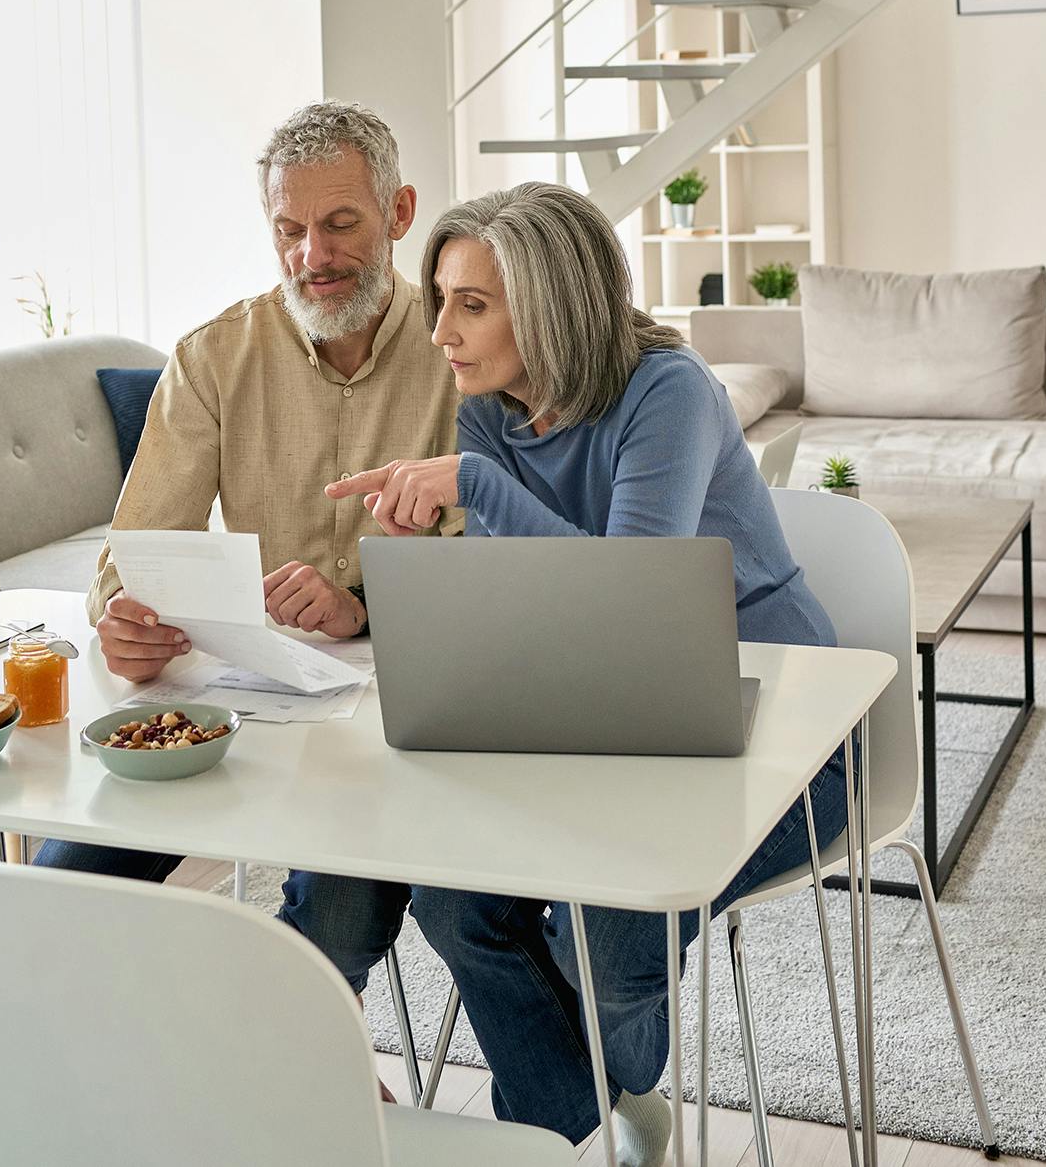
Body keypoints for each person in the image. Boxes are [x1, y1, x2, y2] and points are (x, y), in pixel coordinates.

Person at [329, 181, 847, 1164]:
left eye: (471, 304)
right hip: (605, 719)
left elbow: (628, 601)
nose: (440, 329)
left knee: (603, 931)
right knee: (451, 899)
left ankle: (600, 1090)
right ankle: (580, 1141)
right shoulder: (488, 412)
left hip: (789, 728)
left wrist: (475, 488)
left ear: (553, 303)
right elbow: (541, 611)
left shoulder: (669, 392)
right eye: (441, 297)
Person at [35, 101, 460, 1034]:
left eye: (341, 221)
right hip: (251, 707)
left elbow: (506, 556)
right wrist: (128, 617)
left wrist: (360, 603)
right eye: (289, 229)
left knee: (335, 919)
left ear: (398, 213)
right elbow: (131, 551)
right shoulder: (213, 357)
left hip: (408, 721)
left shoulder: (461, 344)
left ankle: (284, 1066)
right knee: (56, 888)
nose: (314, 253)